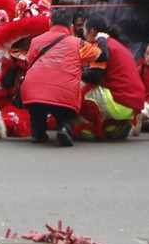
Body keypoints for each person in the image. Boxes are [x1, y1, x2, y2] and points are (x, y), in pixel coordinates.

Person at [21, 8, 100, 146]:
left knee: (37, 111)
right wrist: (102, 39)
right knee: (65, 112)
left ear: (50, 23)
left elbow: (27, 62)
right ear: (71, 27)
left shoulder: (35, 41)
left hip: (34, 91)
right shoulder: (79, 44)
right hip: (64, 92)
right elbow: (98, 54)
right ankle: (64, 128)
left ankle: (37, 134)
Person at [79, 14, 147, 139]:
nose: (82, 33)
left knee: (74, 83)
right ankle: (112, 126)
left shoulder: (99, 47)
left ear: (92, 31)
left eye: (83, 29)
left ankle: (86, 126)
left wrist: (76, 71)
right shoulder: (117, 44)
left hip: (118, 102)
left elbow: (95, 78)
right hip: (132, 105)